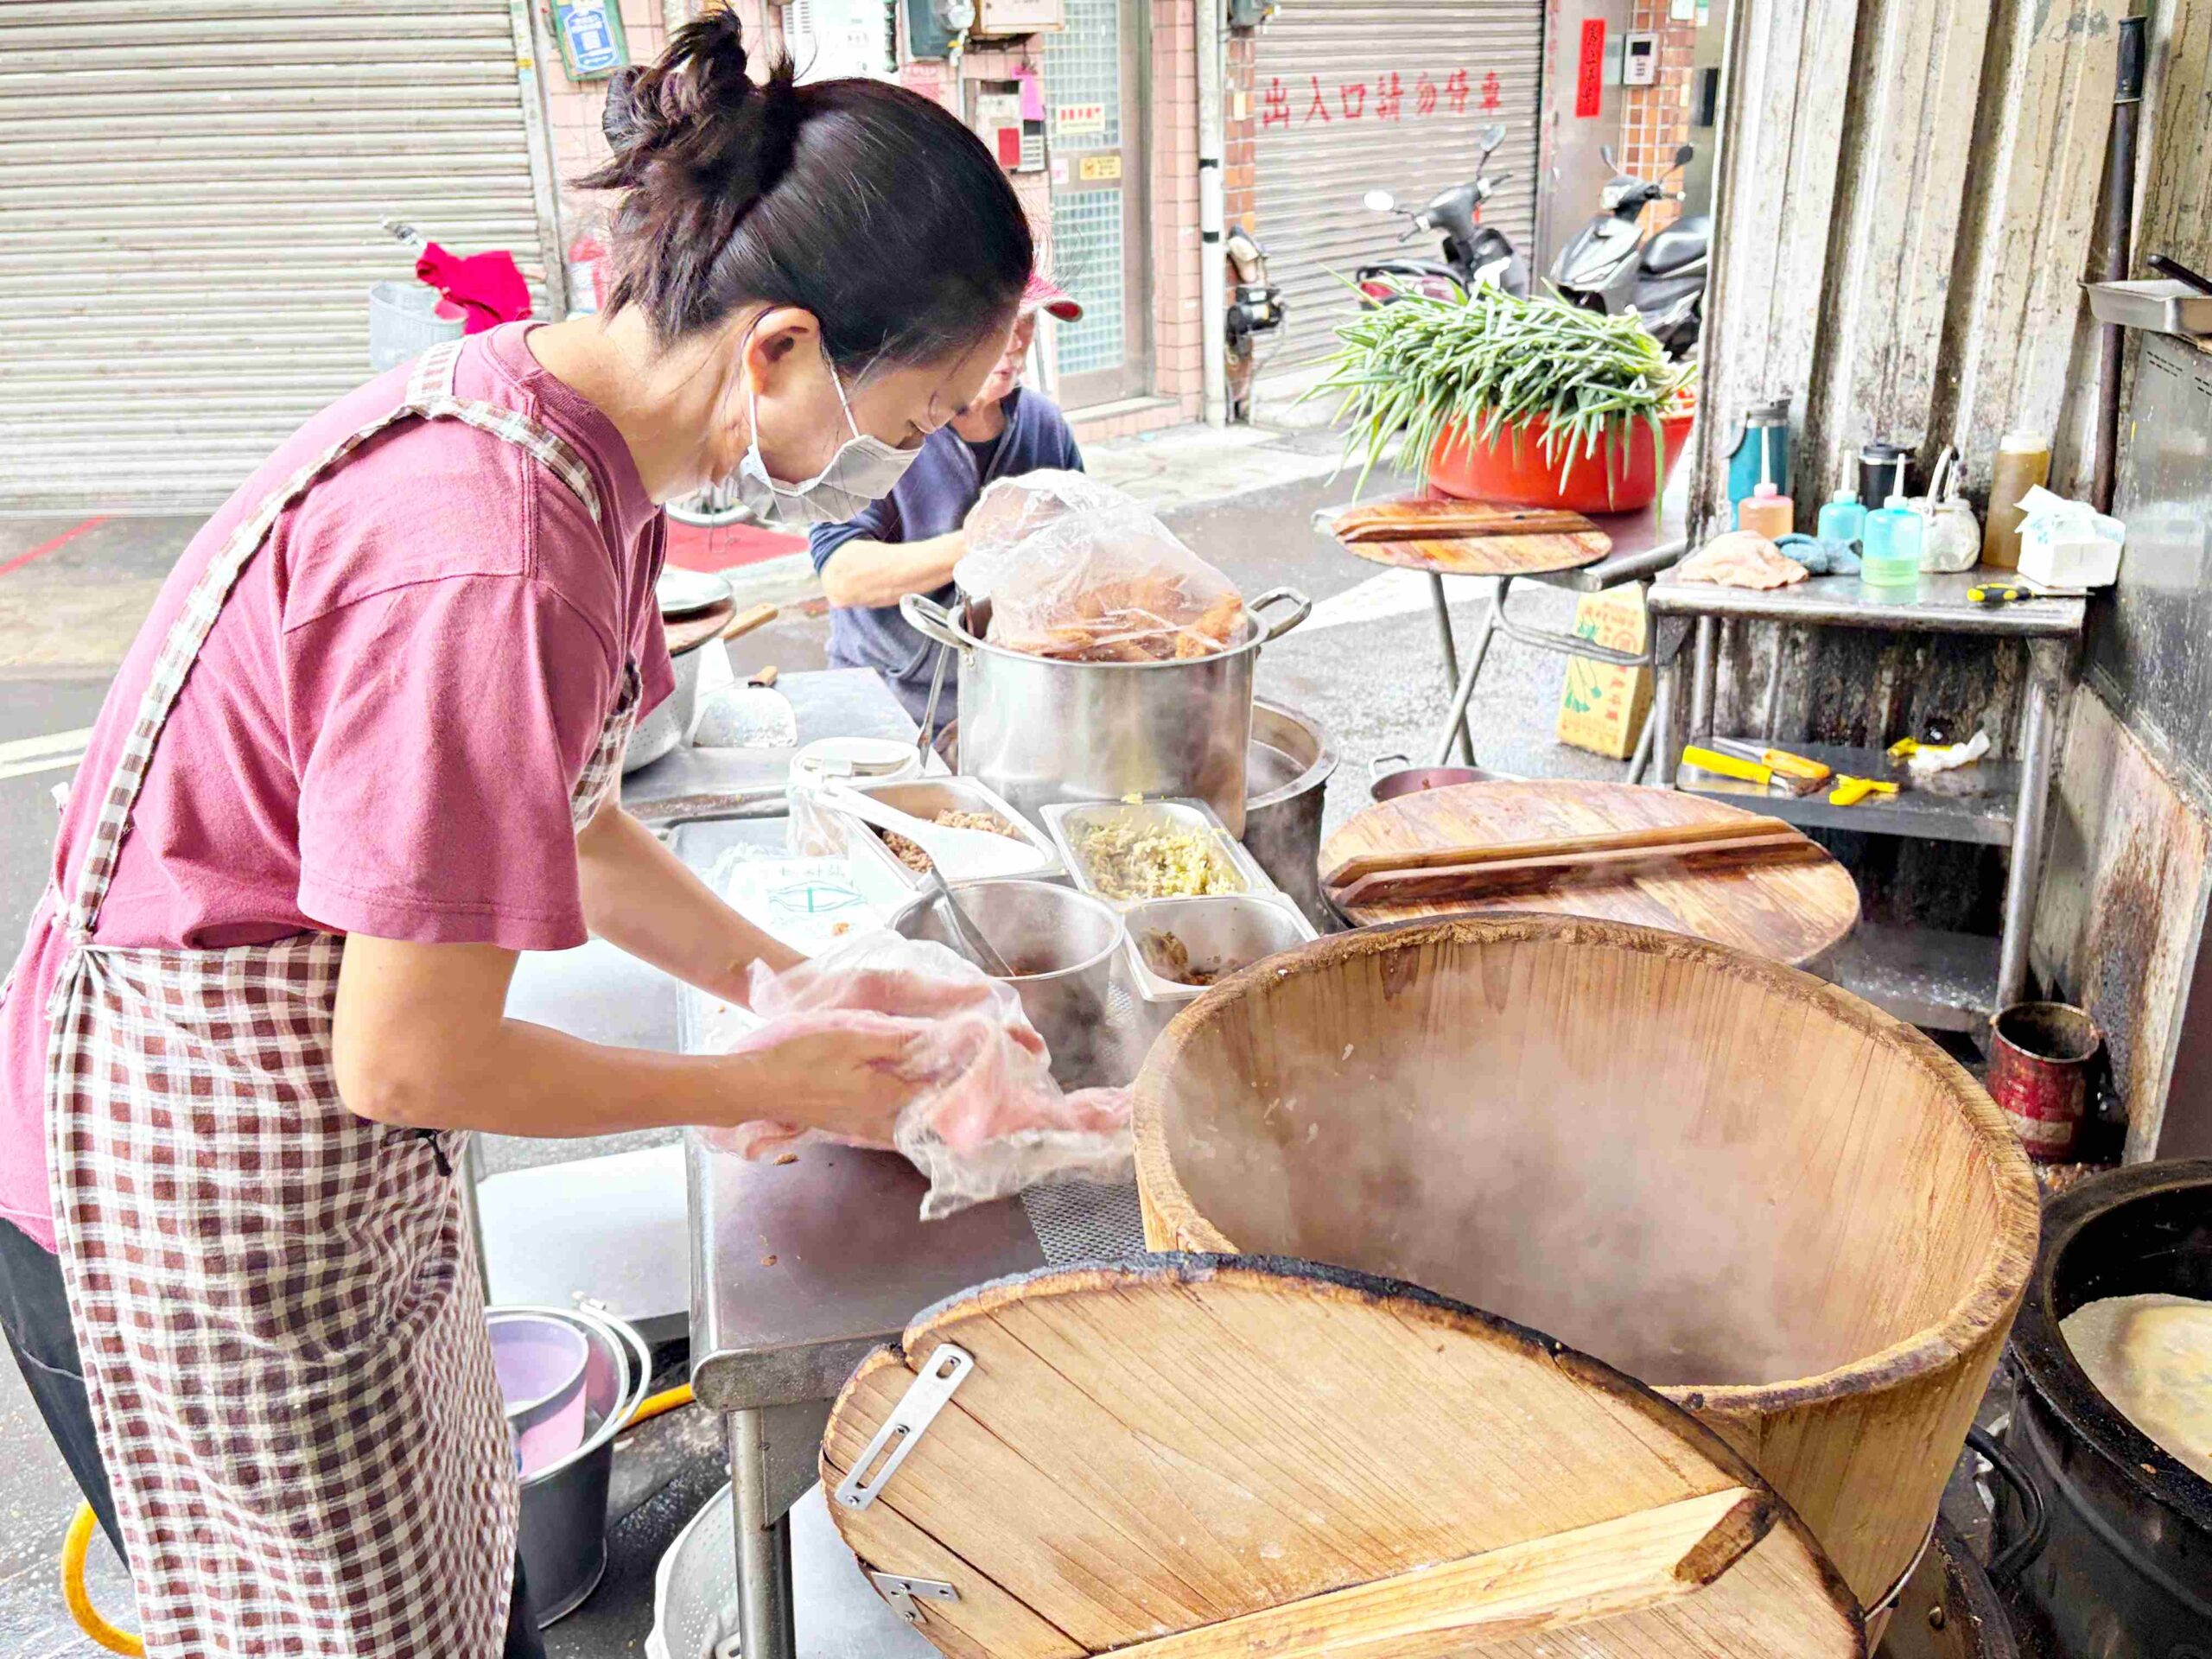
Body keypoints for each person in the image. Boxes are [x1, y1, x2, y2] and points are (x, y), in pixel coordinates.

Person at [0, 19, 1030, 1658]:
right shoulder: (492, 560)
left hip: (302, 1153)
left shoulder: (578, 451)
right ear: (777, 350)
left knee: (463, 1597)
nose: (895, 462)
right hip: (181, 1199)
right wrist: (756, 1083)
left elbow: (581, 824)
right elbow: (407, 1062)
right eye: (906, 413)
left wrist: (790, 982)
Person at [809, 277, 1084, 727]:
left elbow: (1076, 557)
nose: (1016, 342)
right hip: (886, 702)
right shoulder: (882, 425)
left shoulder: (1044, 425)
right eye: (1004, 323)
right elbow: (844, 576)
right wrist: (984, 539)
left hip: (1007, 701)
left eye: (1029, 322)